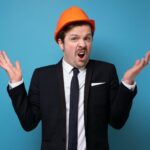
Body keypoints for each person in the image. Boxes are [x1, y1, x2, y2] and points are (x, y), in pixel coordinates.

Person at [0, 6, 150, 150]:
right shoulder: (42, 77)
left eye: (87, 38)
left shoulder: (106, 72)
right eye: (74, 38)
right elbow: (29, 123)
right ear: (61, 43)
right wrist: (16, 84)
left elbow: (117, 122)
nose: (82, 44)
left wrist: (127, 83)